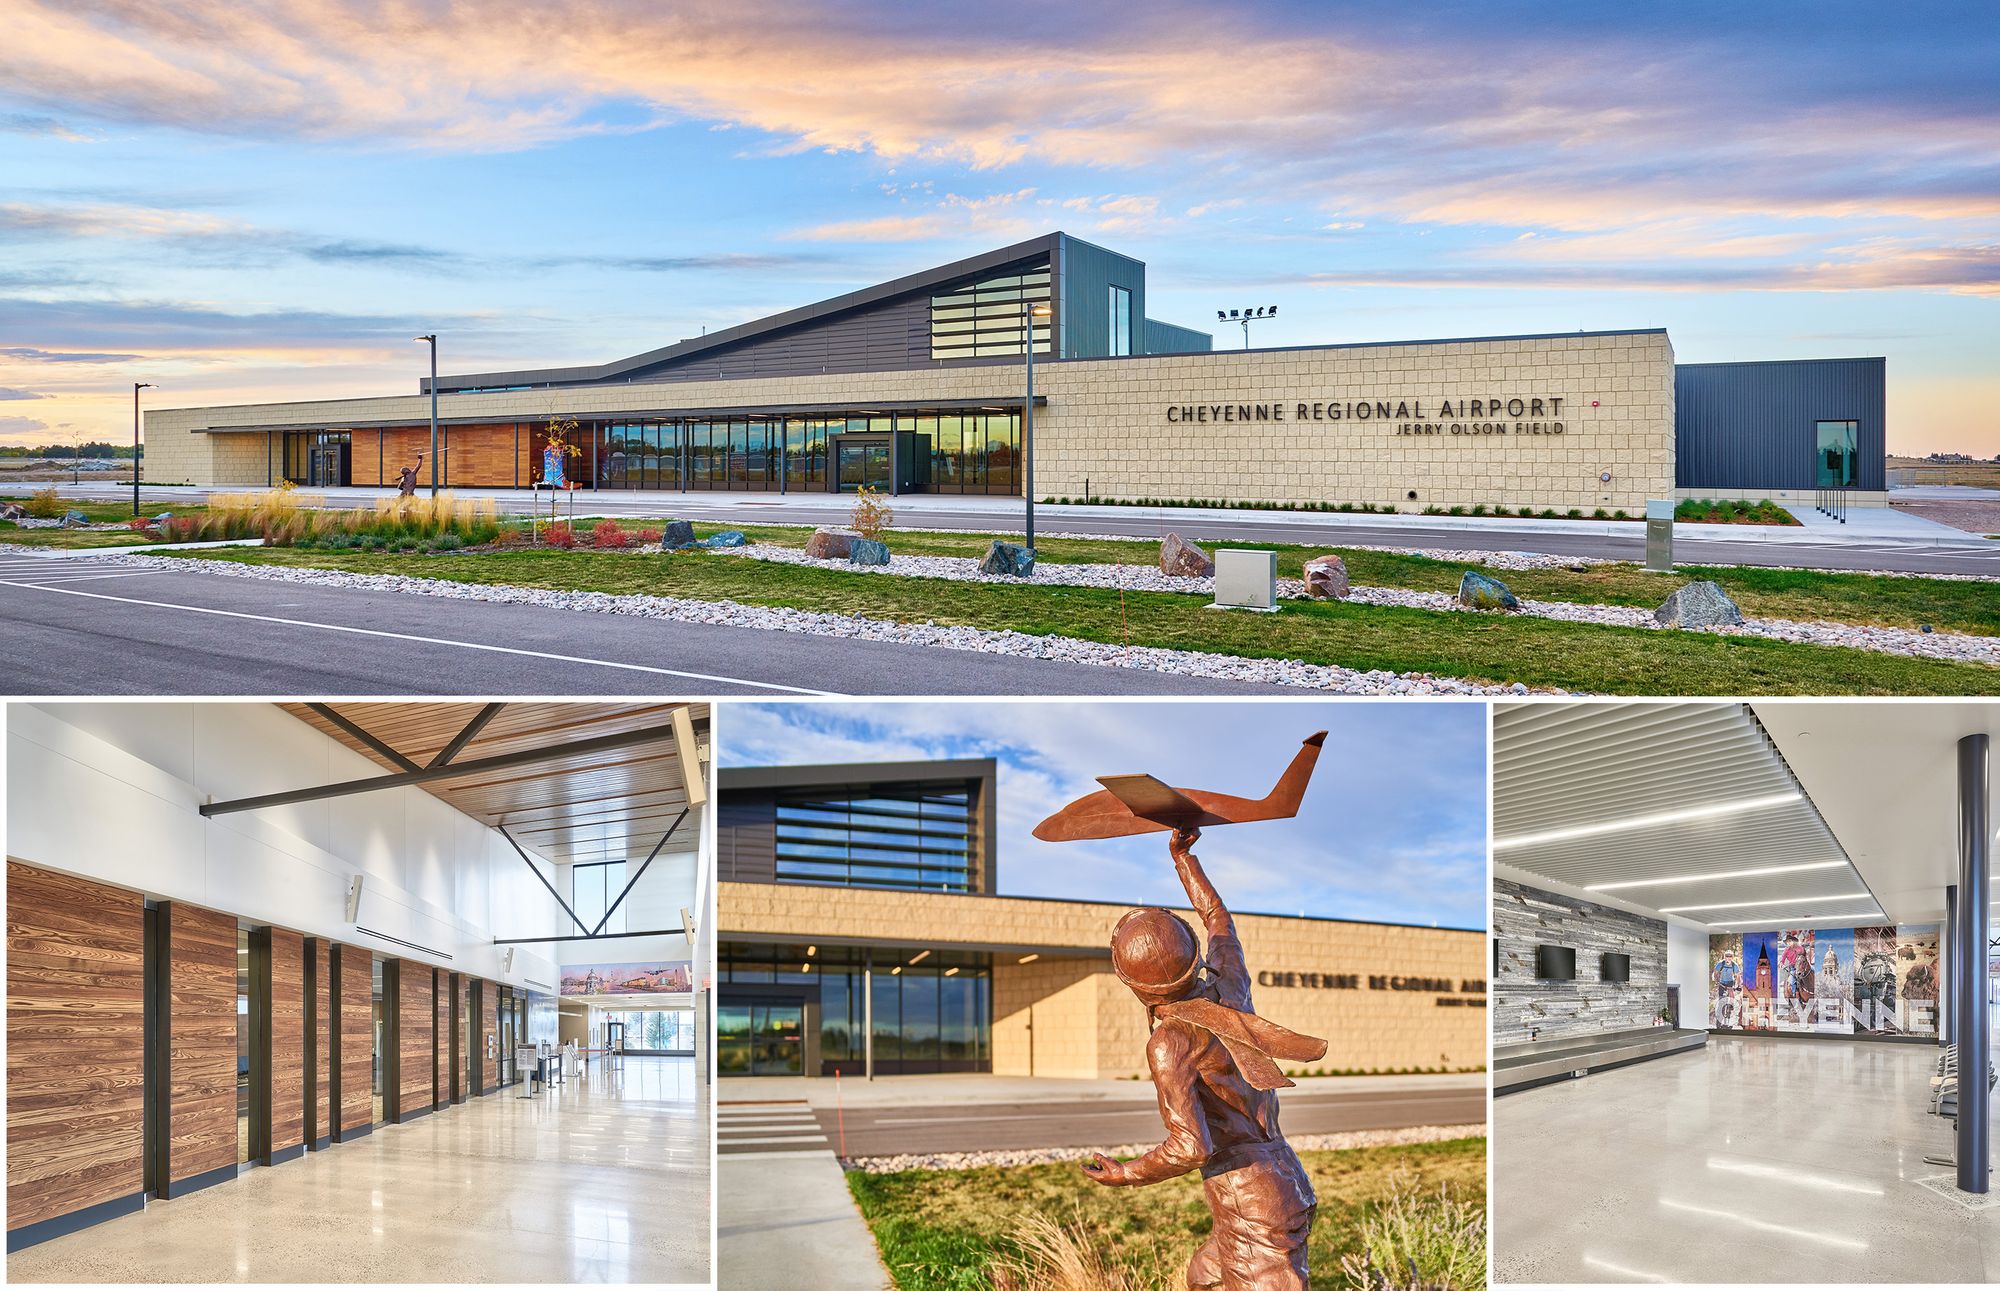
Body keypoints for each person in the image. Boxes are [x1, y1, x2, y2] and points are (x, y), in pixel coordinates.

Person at [1081, 826, 1326, 1290]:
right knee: (1204, 1277)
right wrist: (1184, 860)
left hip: (1249, 1201)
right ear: (1195, 960)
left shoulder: (1170, 1042)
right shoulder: (1229, 989)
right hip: (1280, 1178)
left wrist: (1127, 1174)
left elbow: (1191, 1146)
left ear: (1132, 984)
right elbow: (1218, 919)